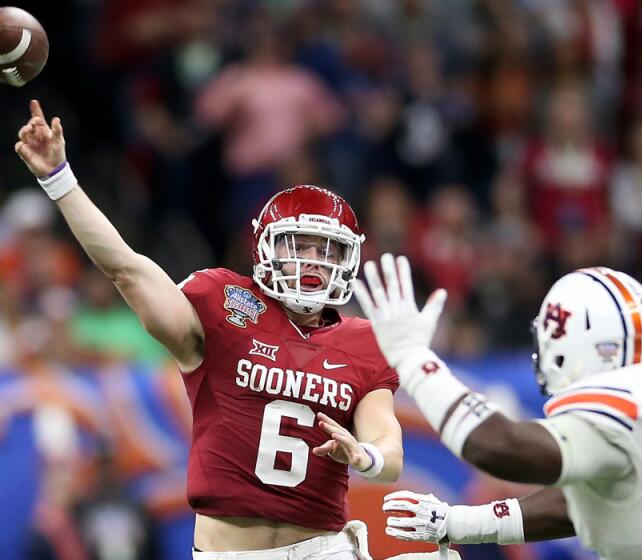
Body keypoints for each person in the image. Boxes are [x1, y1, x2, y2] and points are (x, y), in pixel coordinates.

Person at [15, 100, 404, 560]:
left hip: (325, 548)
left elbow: (389, 448)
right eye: (299, 245)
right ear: (264, 249)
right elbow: (126, 269)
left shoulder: (360, 339)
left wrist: (366, 457)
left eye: (327, 250)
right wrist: (60, 179)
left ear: (349, 258)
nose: (312, 262)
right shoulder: (224, 302)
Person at [354, 255, 642, 559]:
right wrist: (455, 522)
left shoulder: (627, 408)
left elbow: (501, 447)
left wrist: (411, 359)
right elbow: (571, 507)